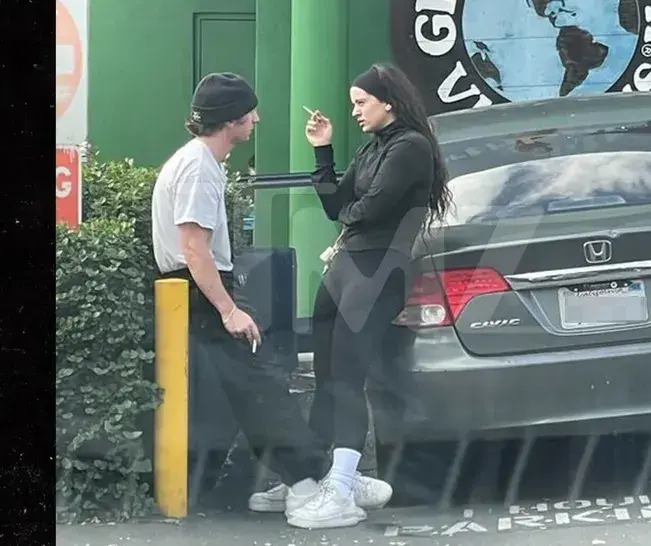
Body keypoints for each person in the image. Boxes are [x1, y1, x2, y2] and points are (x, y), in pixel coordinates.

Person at [151, 72, 391, 523]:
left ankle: (310, 478)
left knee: (253, 393)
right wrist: (227, 309)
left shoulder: (196, 162)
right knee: (260, 392)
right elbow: (193, 247)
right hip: (201, 291)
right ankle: (309, 483)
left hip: (194, 290)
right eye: (250, 112)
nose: (257, 119)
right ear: (232, 120)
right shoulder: (200, 168)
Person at [282, 63, 452, 529]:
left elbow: (369, 209)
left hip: (378, 268)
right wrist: (323, 150)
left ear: (388, 102)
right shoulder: (373, 147)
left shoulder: (411, 147)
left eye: (361, 102)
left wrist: (352, 213)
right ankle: (333, 472)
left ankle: (341, 486)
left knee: (348, 376)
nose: (354, 110)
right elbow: (338, 207)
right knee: (327, 371)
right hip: (347, 267)